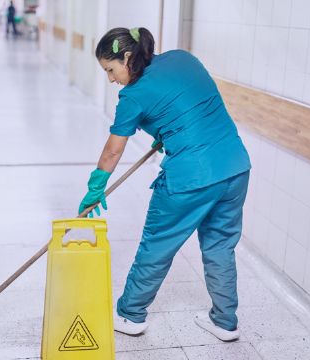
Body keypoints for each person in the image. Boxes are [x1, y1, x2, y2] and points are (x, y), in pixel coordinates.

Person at [78, 27, 251, 342]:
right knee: (220, 246)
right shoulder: (181, 58)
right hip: (235, 167)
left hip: (191, 177)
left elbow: (113, 150)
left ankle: (130, 315)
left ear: (127, 57)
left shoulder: (132, 95)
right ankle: (225, 322)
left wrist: (96, 186)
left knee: (157, 245)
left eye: (111, 69)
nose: (111, 79)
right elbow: (193, 101)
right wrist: (167, 129)